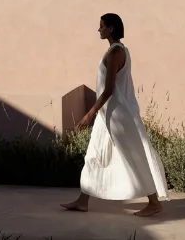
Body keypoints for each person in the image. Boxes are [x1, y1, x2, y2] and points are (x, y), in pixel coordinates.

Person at [60, 13, 169, 217]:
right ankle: (83, 200)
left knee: (132, 154)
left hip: (118, 116)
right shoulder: (117, 50)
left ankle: (154, 202)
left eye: (101, 26)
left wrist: (89, 114)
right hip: (107, 115)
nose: (99, 29)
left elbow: (109, 89)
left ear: (110, 29)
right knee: (94, 154)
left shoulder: (116, 53)